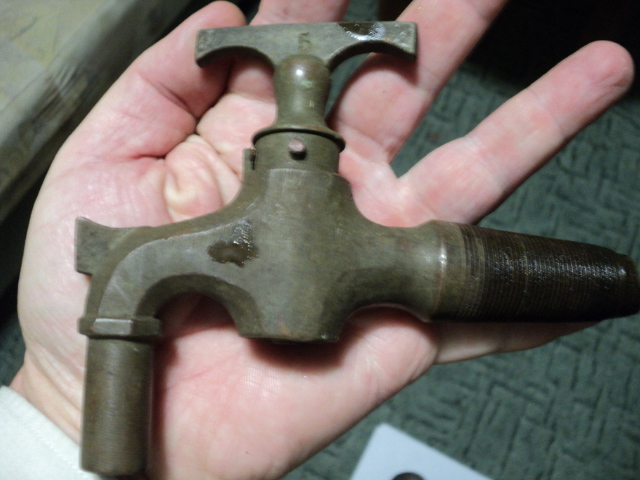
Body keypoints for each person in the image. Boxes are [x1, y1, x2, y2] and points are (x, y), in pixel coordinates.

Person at [2, 0, 634, 478]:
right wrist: (78, 435)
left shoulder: (143, 261)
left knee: (615, 280)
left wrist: (67, 433)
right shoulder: (140, 261)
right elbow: (126, 276)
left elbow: (128, 275)